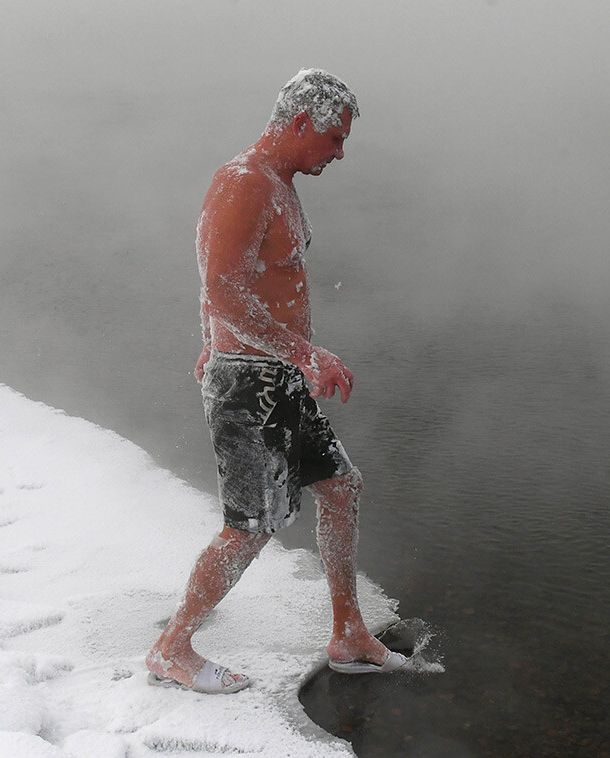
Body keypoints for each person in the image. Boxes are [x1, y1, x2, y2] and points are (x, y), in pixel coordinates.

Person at [145, 69, 409, 694]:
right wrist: (304, 353)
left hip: (274, 373)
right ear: (298, 124)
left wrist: (216, 345)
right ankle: (172, 648)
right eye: (334, 138)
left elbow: (222, 275)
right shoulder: (242, 182)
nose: (340, 152)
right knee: (251, 525)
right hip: (250, 382)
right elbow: (222, 287)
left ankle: (346, 631)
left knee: (340, 487)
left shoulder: (277, 182)